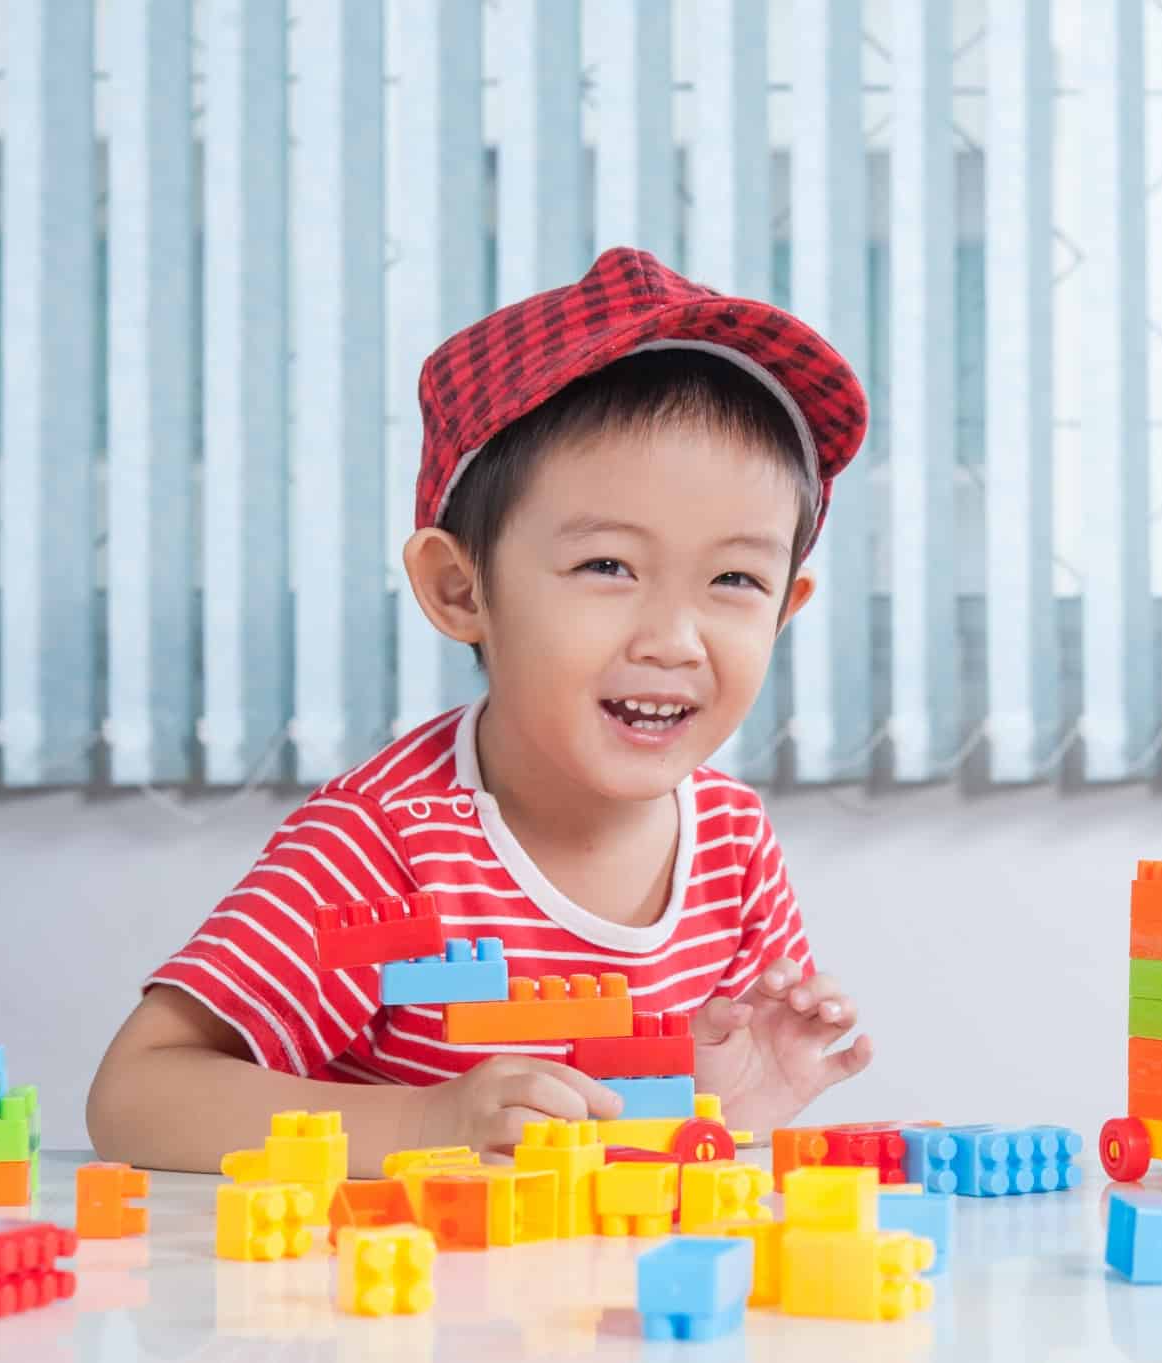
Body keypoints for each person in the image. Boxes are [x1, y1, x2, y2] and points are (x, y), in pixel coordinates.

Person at [87, 248, 874, 1173]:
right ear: (461, 588)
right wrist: (427, 1123)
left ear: (787, 607)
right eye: (607, 566)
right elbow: (136, 1095)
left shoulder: (734, 850)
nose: (674, 637)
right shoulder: (385, 846)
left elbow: (660, 1154)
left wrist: (732, 1103)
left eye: (735, 579)